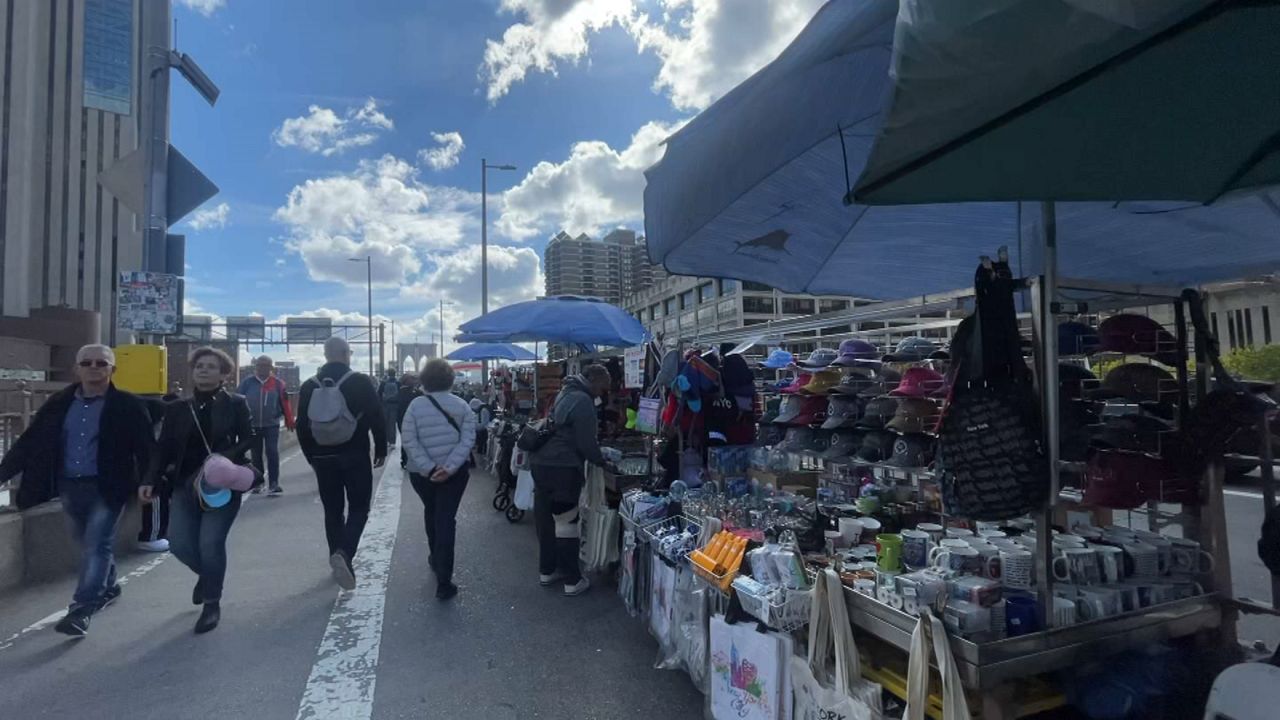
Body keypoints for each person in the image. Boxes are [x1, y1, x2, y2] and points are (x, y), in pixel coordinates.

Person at [0, 344, 153, 637]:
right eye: (87, 362)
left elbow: (146, 447)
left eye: (101, 363)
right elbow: (30, 442)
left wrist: (150, 481)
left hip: (109, 487)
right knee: (87, 544)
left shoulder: (127, 405)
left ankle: (82, 609)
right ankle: (109, 587)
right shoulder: (59, 402)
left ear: (113, 370)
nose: (94, 367)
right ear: (77, 368)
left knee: (97, 544)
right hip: (69, 485)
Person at [142, 347, 257, 634]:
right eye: (199, 366)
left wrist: (221, 460)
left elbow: (250, 438)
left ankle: (211, 603)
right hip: (183, 484)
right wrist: (149, 479)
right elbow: (164, 447)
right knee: (178, 543)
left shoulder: (236, 403)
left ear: (223, 375)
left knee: (211, 543)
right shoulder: (177, 408)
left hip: (220, 484)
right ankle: (208, 577)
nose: (204, 370)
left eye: (211, 367)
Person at [296, 336, 387, 591]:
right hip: (355, 454)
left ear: (325, 355)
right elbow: (376, 416)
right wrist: (380, 448)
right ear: (347, 354)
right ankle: (345, 554)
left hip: (323, 459)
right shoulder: (359, 381)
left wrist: (311, 457)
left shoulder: (308, 386)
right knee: (359, 508)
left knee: (333, 511)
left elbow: (302, 426)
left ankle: (336, 554)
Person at [529, 363, 611, 597]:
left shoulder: (565, 392)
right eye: (603, 387)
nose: (602, 393)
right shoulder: (583, 401)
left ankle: (547, 570)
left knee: (545, 518)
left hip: (541, 463)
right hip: (562, 467)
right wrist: (602, 461)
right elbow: (586, 443)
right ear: (594, 381)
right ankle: (572, 580)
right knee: (566, 521)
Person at [401, 359, 476, 601]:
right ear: (450, 380)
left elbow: (409, 440)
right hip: (455, 475)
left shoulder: (415, 406)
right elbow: (468, 440)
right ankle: (444, 580)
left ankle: (435, 556)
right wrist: (450, 467)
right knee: (446, 518)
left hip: (422, 475)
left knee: (431, 511)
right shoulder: (462, 405)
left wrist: (429, 467)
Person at [237, 354, 295, 495]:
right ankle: (259, 483)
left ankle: (274, 483)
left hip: (271, 425)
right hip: (253, 425)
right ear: (255, 367)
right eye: (259, 365)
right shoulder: (247, 383)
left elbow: (285, 402)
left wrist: (287, 418)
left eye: (266, 365)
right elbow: (237, 402)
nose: (262, 368)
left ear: (271, 367)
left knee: (272, 452)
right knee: (256, 455)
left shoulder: (277, 383)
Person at [395, 373, 420, 468]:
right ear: (406, 381)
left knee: (406, 439)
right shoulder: (414, 392)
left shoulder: (400, 392)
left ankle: (405, 459)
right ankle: (407, 459)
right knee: (411, 439)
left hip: (402, 419)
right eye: (413, 379)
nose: (415, 381)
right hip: (409, 419)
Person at [379, 369, 401, 446]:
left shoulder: (383, 383)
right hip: (395, 405)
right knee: (392, 424)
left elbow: (379, 394)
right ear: (395, 374)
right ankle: (392, 442)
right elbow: (400, 394)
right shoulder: (398, 383)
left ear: (388, 373)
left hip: (385, 405)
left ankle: (386, 440)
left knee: (385, 423)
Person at [470, 397, 492, 467]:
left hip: (482, 431)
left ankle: (482, 462)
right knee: (478, 446)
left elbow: (484, 422)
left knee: (482, 446)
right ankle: (479, 460)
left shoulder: (484, 411)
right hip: (477, 431)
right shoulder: (476, 411)